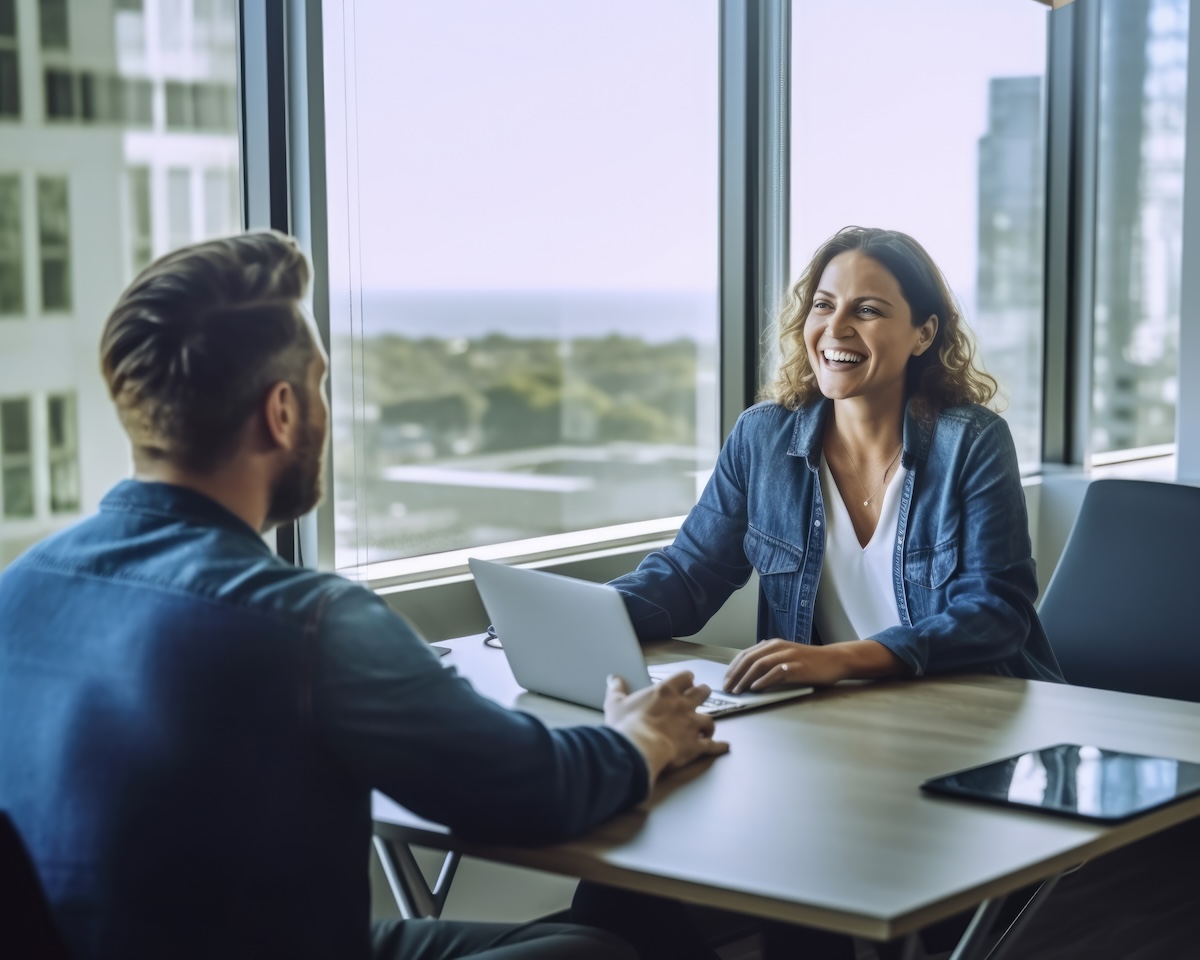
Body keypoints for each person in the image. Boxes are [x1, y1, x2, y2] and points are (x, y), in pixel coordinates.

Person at [0, 231, 729, 960]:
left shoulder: (21, 587)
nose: (325, 406)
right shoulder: (307, 621)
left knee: (594, 932)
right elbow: (529, 792)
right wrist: (640, 738)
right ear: (280, 411)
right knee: (603, 956)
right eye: (319, 383)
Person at [572, 225, 1064, 959]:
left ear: (923, 333)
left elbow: (995, 614)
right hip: (823, 735)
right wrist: (585, 615)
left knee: (823, 871)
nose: (835, 328)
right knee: (618, 868)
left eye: (867, 310)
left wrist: (841, 659)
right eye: (823, 305)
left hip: (963, 729)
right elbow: (689, 575)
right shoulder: (763, 439)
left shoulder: (971, 442)